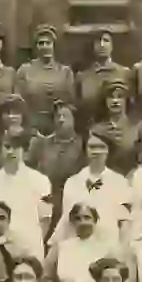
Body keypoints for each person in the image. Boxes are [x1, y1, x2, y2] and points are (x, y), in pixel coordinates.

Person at [0, 132, 52, 261]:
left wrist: (32, 243)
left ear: (24, 151)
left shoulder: (40, 180)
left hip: (29, 248)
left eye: (16, 147)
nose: (11, 151)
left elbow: (45, 219)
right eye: (7, 147)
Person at [28, 100, 85, 233]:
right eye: (58, 116)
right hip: (45, 202)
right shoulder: (42, 144)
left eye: (66, 116)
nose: (61, 120)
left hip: (72, 202)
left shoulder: (83, 144)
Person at [15, 25, 76, 134]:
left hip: (58, 127)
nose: (44, 47)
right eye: (41, 43)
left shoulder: (65, 71)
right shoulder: (25, 70)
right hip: (32, 127)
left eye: (48, 43)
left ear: (54, 45)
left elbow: (71, 103)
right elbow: (18, 103)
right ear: (36, 47)